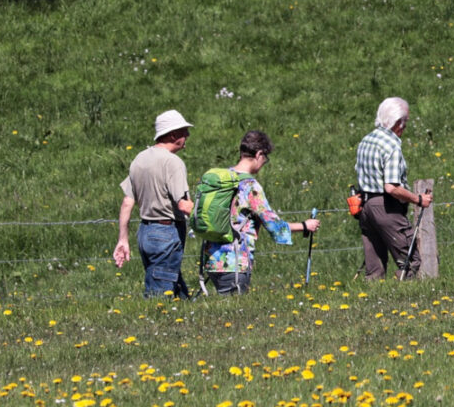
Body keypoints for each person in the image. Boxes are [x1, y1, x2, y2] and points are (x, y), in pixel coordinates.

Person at [199, 130, 320, 295]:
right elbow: (274, 225)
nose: (264, 163)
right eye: (265, 158)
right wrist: (305, 225)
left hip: (212, 258)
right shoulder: (250, 186)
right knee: (235, 315)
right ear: (259, 154)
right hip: (235, 261)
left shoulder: (223, 180)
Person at [113, 110, 194, 298]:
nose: (187, 136)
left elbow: (127, 202)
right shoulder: (173, 162)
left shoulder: (139, 159)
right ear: (173, 134)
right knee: (159, 293)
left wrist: (122, 239)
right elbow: (183, 205)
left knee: (170, 283)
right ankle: (157, 320)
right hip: (166, 231)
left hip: (145, 233)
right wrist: (210, 217)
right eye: (184, 131)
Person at [354, 97, 433, 280]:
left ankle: (372, 301)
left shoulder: (366, 140)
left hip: (364, 206)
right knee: (409, 261)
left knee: (374, 268)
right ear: (399, 122)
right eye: (405, 122)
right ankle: (405, 299)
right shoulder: (391, 146)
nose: (405, 127)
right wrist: (418, 199)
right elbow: (391, 187)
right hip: (385, 207)